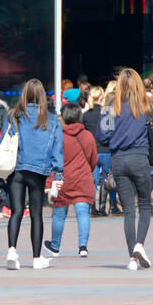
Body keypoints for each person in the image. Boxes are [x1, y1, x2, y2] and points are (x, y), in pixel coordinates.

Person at [96, 68, 153, 271]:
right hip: (140, 157)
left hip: (119, 159)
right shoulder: (146, 104)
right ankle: (140, 244)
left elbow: (102, 136)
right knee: (146, 205)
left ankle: (132, 258)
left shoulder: (110, 106)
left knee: (129, 210)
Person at [5, 78, 64, 270]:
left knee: (16, 211)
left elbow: (6, 141)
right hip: (38, 171)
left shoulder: (15, 115)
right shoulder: (51, 120)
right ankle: (37, 257)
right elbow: (57, 149)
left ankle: (12, 250)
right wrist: (58, 173)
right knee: (36, 214)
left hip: (17, 169)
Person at [52, 102, 98, 257]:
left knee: (59, 214)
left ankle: (55, 246)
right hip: (83, 180)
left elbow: (54, 159)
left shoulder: (59, 136)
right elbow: (93, 159)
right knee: (83, 213)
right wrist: (87, 171)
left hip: (63, 180)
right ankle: (83, 247)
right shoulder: (88, 136)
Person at [82, 86, 116, 216]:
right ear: (102, 97)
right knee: (109, 179)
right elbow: (111, 132)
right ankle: (109, 206)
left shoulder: (86, 115)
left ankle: (92, 207)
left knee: (93, 181)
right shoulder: (106, 113)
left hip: (92, 151)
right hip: (106, 149)